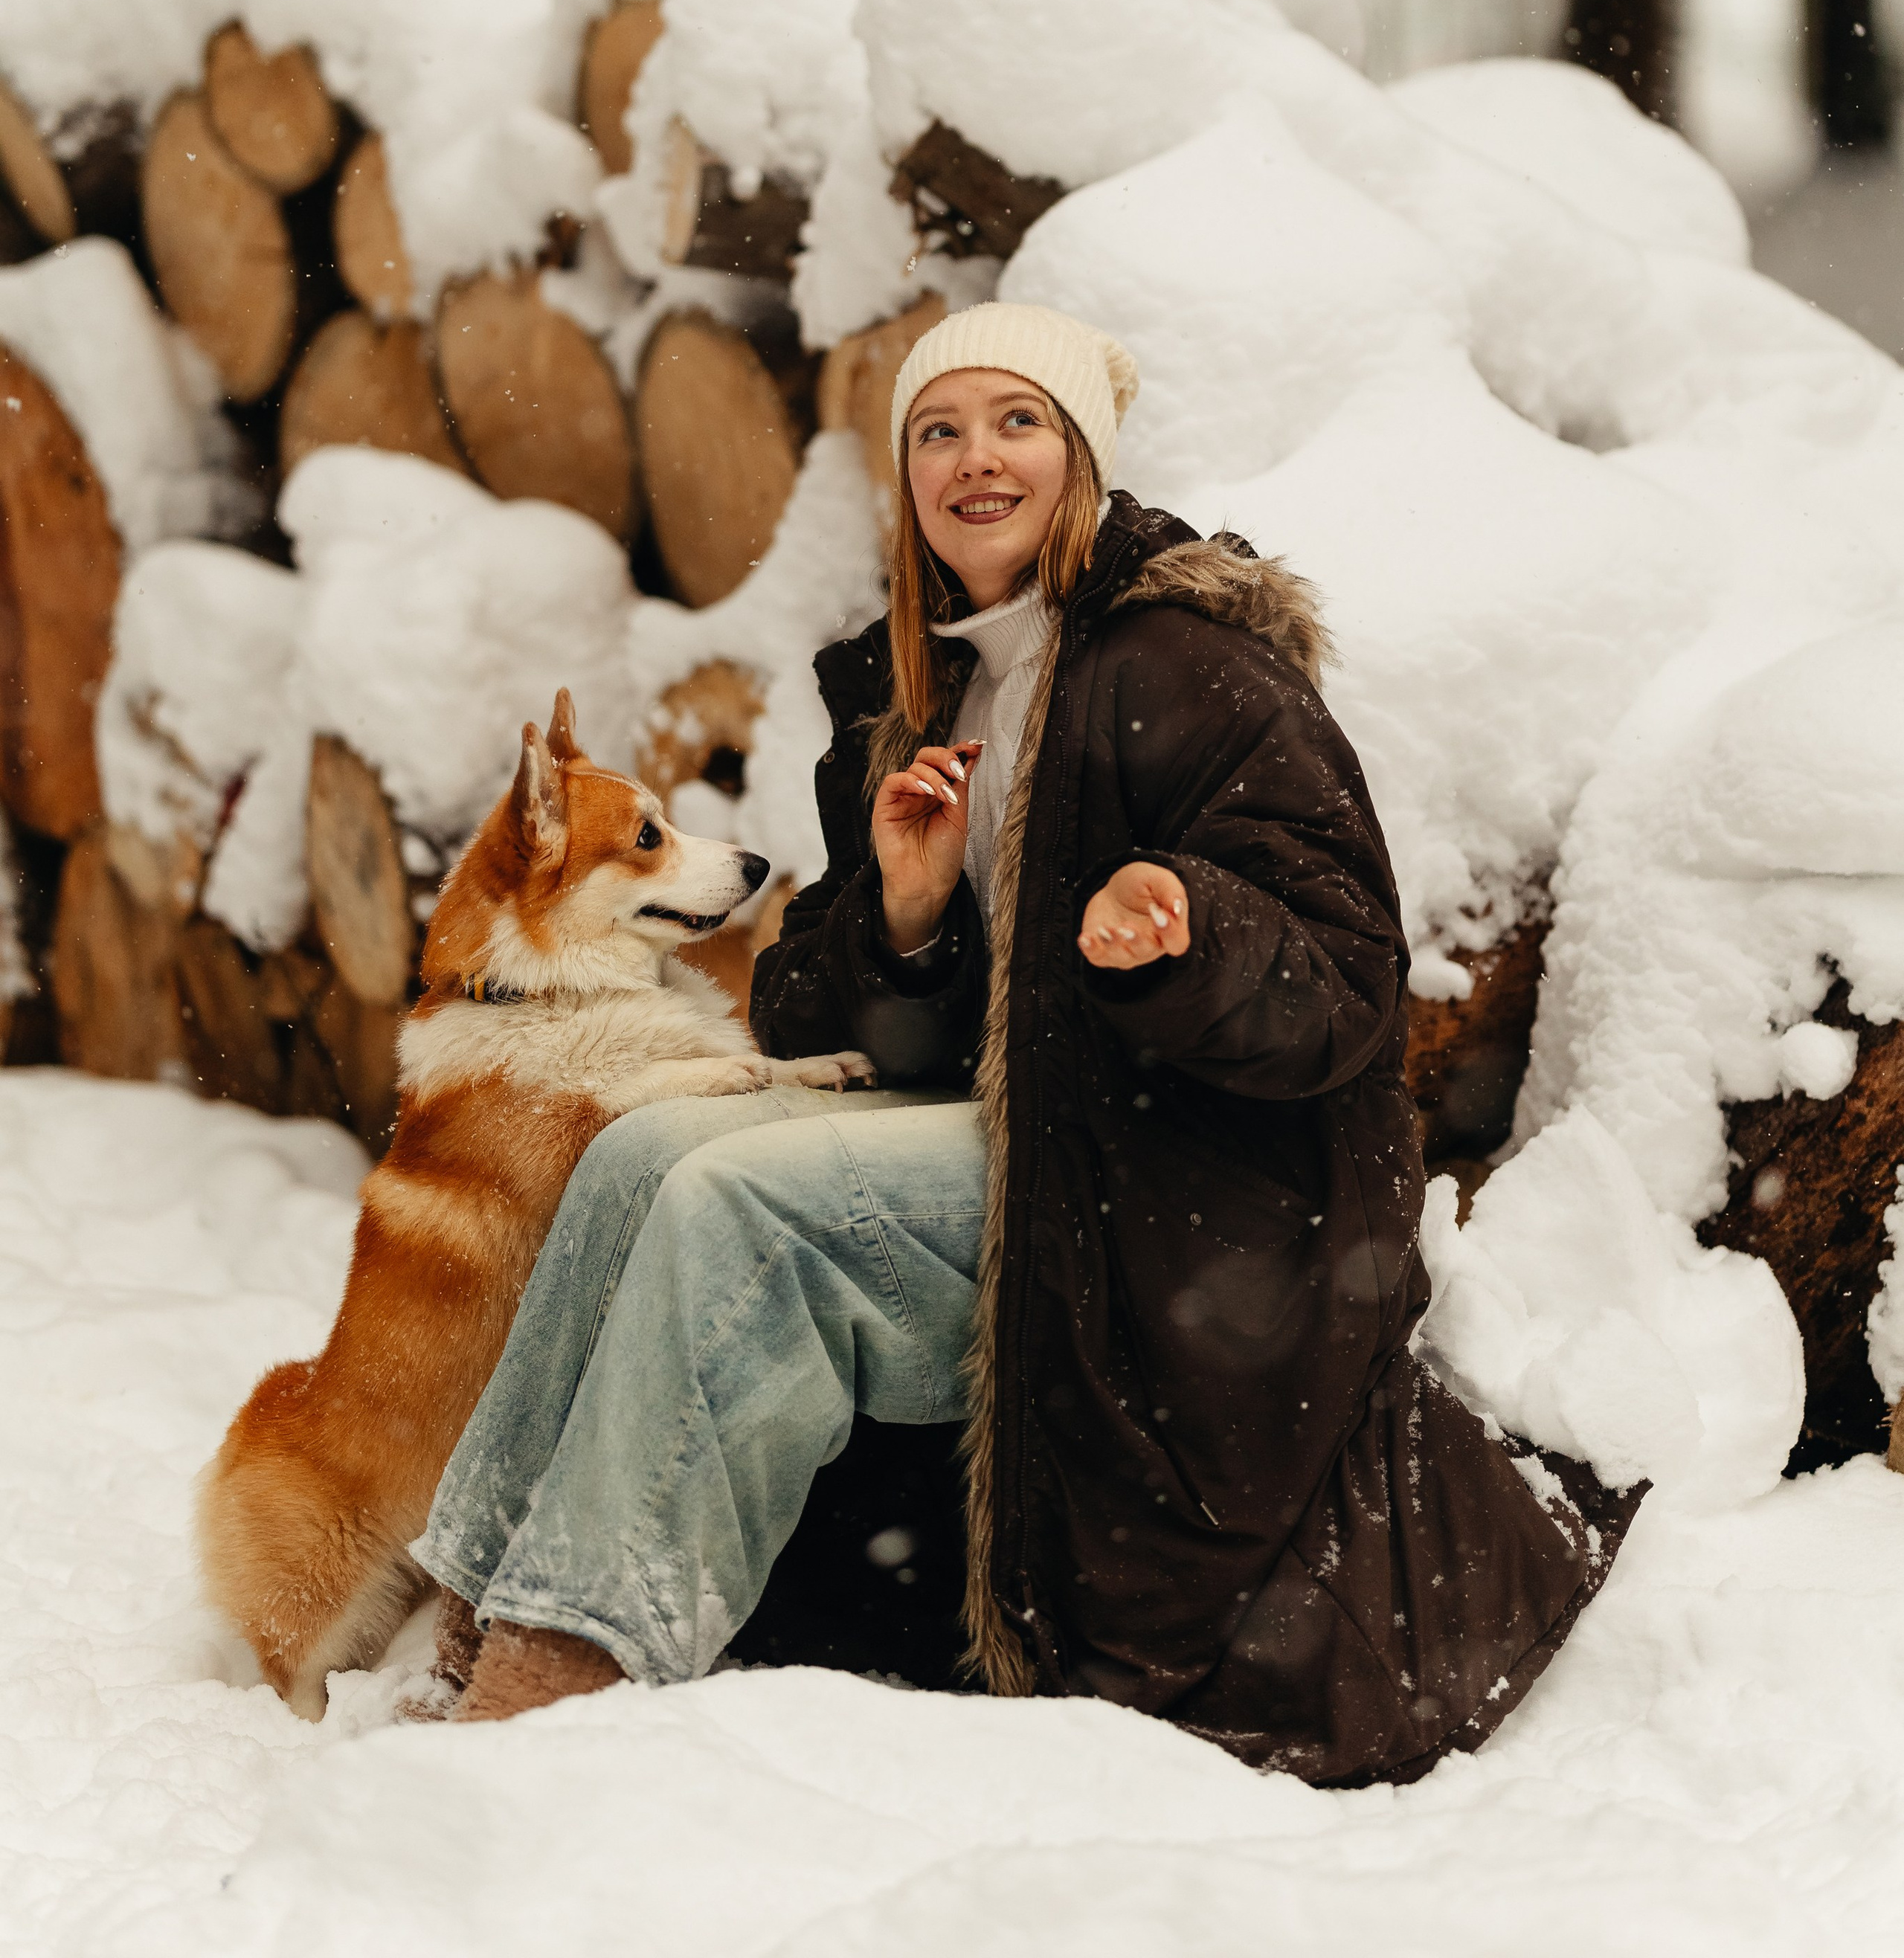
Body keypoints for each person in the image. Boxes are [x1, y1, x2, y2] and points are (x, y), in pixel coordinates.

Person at [414, 301, 1632, 1772]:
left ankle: (566, 1672)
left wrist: (1185, 928)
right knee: (643, 1157)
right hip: (1032, 1138)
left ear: (1080, 458)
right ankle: (478, 1603)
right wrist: (910, 919)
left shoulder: (1189, 670)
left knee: (737, 1213)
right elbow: (825, 1009)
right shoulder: (911, 691)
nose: (973, 460)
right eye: (938, 430)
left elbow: (1344, 984)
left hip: (1190, 1199)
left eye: (1016, 423)